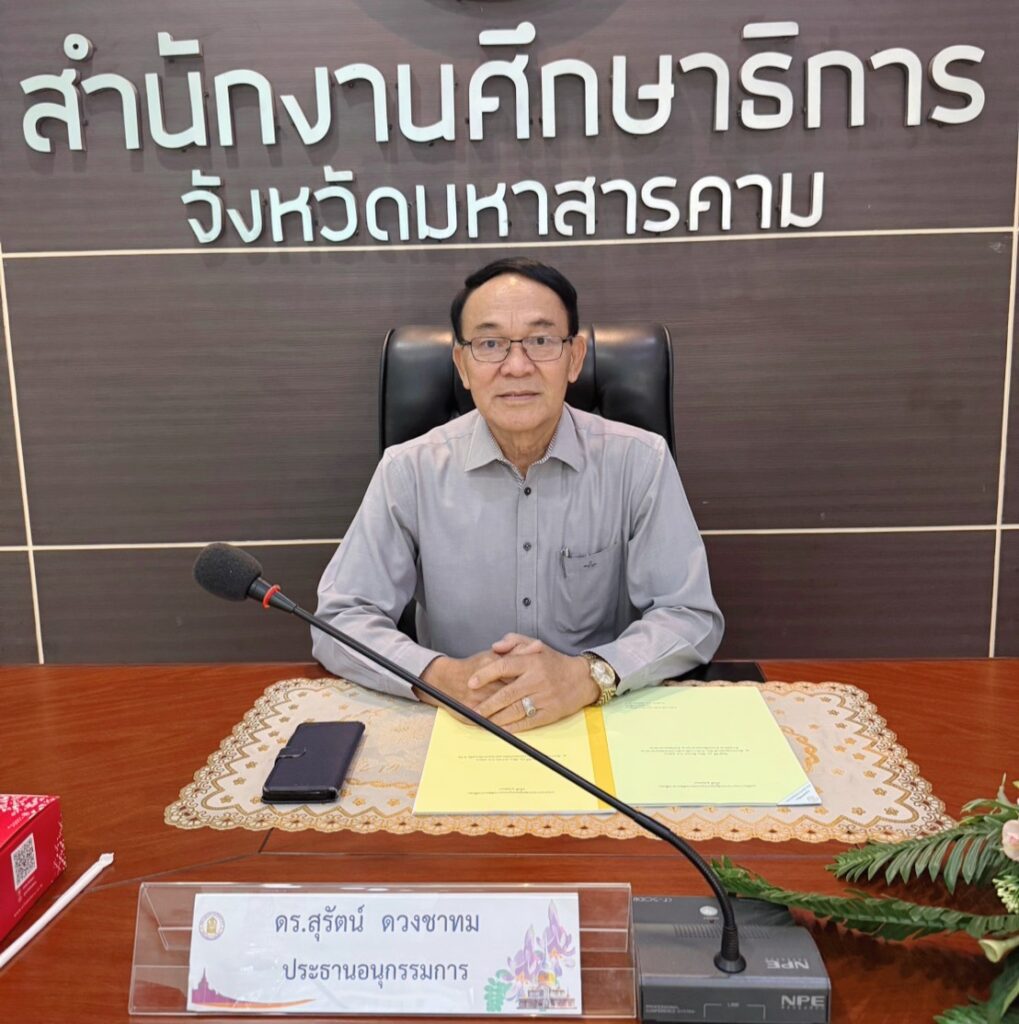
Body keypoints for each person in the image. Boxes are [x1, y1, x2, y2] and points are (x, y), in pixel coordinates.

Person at [313, 257, 723, 732]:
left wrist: (588, 675)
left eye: (541, 341)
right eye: (490, 344)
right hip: (461, 722)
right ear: (462, 365)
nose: (516, 366)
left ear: (575, 357)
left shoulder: (639, 461)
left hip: (597, 718)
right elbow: (341, 617)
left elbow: (689, 615)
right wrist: (437, 677)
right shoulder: (409, 469)